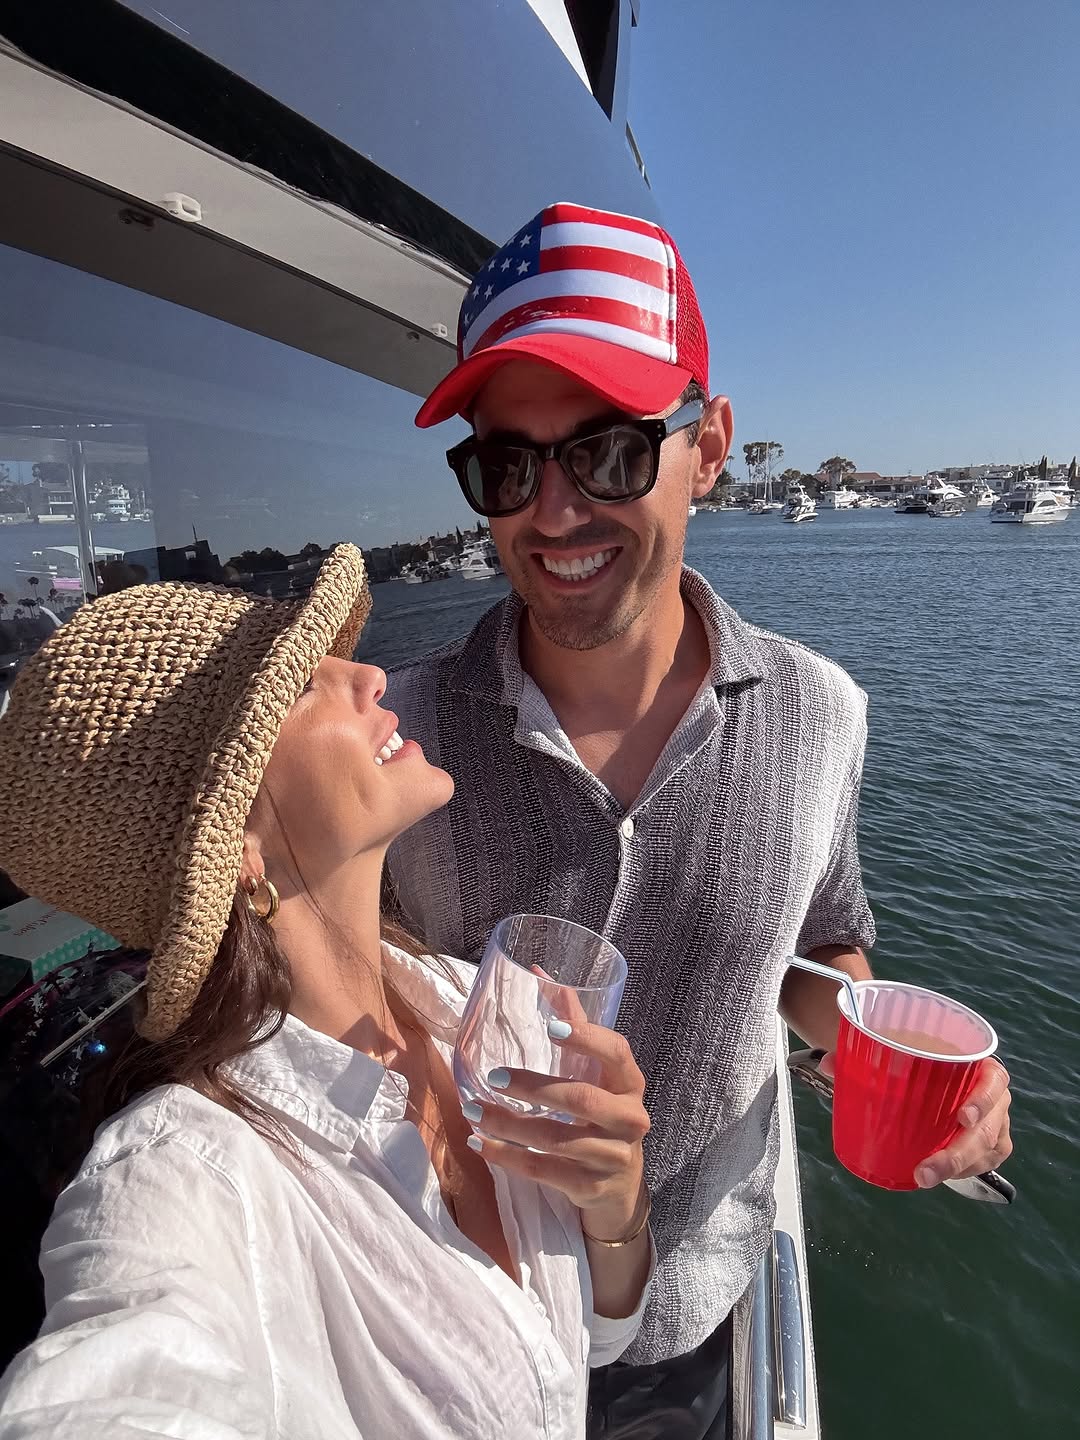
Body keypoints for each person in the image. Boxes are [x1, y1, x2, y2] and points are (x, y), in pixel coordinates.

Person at [385, 202, 1015, 1437]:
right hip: (457, 1326)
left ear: (709, 447)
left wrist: (897, 1063)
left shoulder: (822, 715)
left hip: (689, 1326)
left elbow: (820, 943)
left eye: (610, 453)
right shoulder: (398, 740)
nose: (552, 513)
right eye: (508, 465)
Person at [0, 544, 654, 1439]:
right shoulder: (185, 1178)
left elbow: (595, 1344)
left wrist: (617, 1209)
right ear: (237, 849)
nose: (370, 675)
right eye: (306, 685)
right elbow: (121, 1388)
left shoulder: (476, 1005)